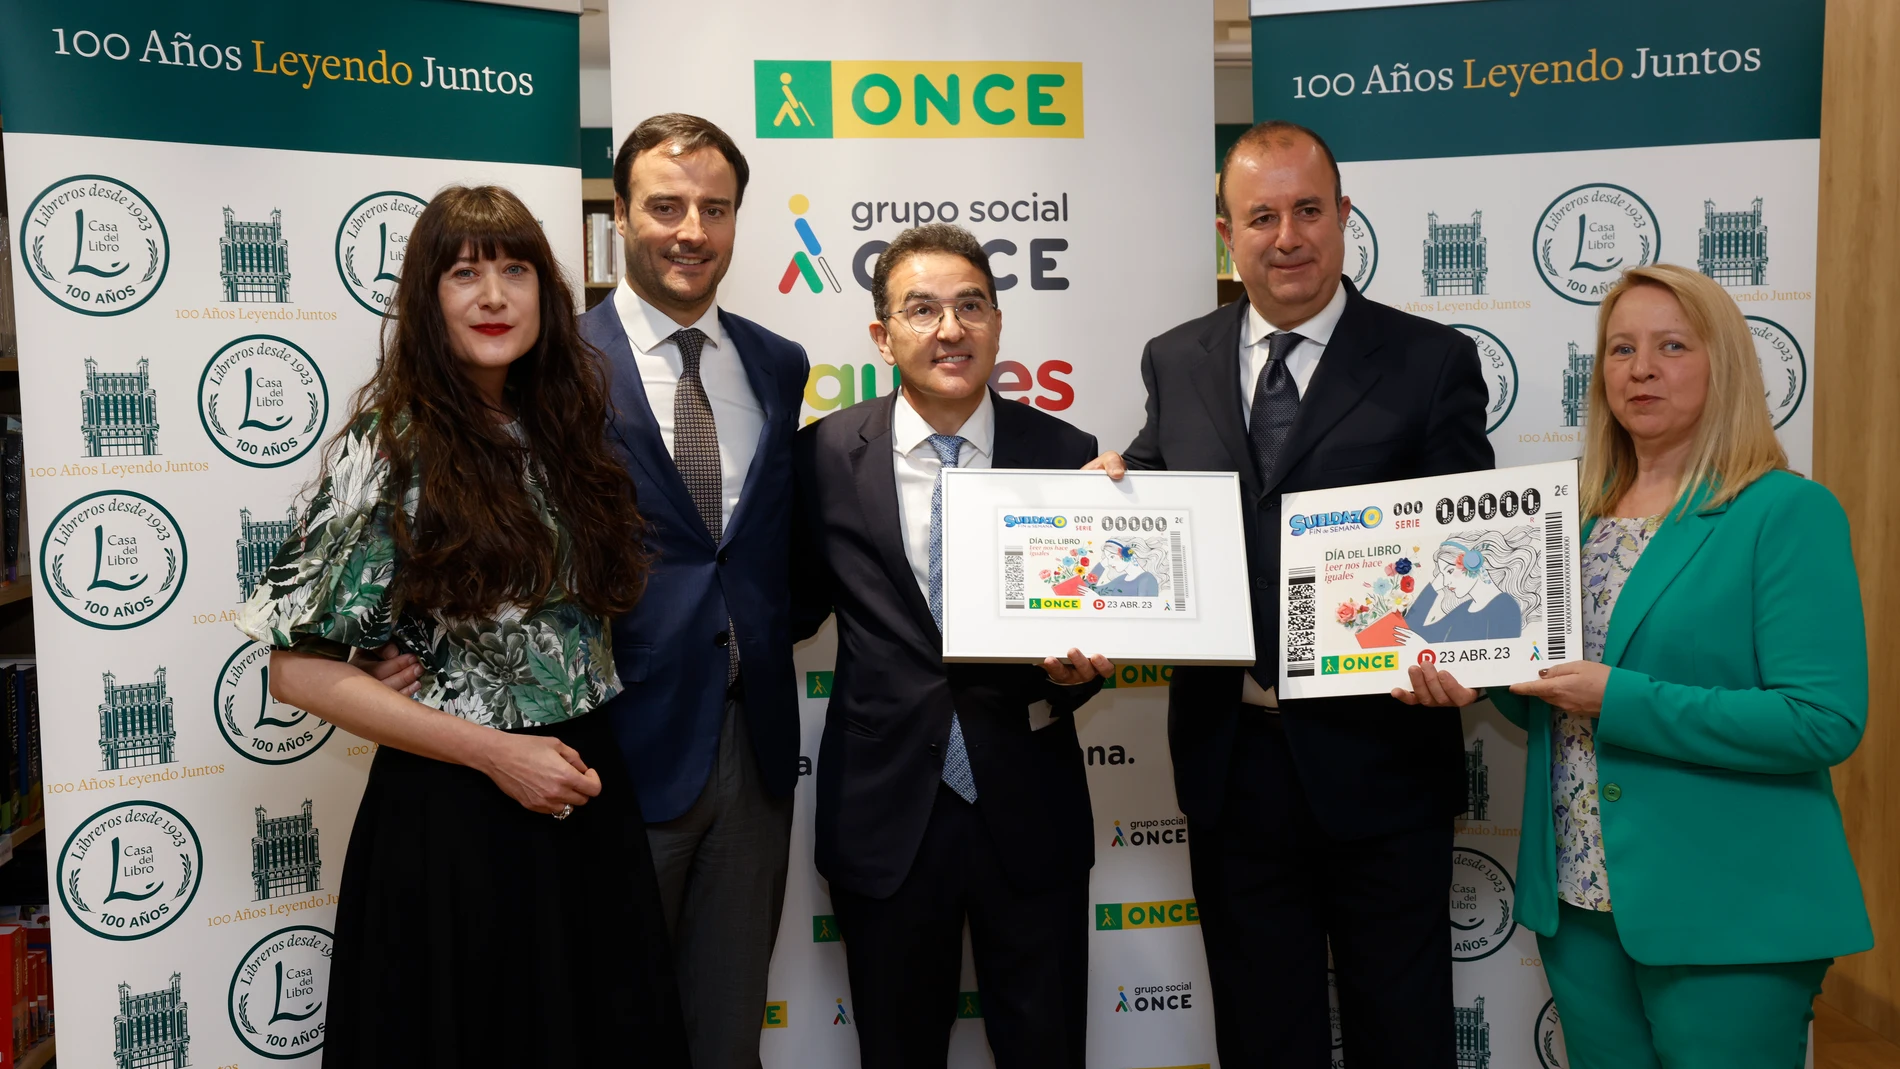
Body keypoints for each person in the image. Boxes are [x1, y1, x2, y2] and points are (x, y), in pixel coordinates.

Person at [361, 114, 807, 1069]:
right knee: (602, 1030)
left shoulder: (778, 362)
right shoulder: (552, 370)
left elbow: (765, 549)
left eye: (714, 208)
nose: (692, 229)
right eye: (665, 205)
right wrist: (395, 646)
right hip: (605, 752)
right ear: (619, 215)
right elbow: (462, 520)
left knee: (726, 1035)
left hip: (756, 748)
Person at [236, 185, 687, 1065]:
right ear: (425, 297)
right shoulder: (392, 442)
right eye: (464, 273)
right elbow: (292, 670)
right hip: (459, 815)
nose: (493, 295)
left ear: (546, 295)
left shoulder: (564, 427)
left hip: (583, 789)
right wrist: (491, 750)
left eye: (515, 270)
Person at [1088, 119, 1494, 1066]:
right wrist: (1108, 503)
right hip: (1234, 763)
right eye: (1260, 215)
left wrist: (1463, 659)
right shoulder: (1175, 357)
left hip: (1382, 759)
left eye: (1309, 210)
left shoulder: (1431, 360)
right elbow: (1162, 504)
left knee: (1403, 1029)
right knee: (1263, 1033)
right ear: (1226, 232)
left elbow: (1462, 542)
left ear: (1345, 216)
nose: (1288, 237)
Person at [1397, 264, 1871, 1069]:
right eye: (1620, 349)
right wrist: (1470, 678)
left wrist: (1619, 695)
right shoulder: (1571, 522)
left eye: (1671, 346)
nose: (1640, 368)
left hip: (1730, 911)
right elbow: (1552, 698)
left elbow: (1821, 719)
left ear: (1724, 365)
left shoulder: (1785, 510)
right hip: (1580, 906)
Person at [792, 224, 1113, 1069]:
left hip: (1028, 803)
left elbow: (1090, 629)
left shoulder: (1067, 456)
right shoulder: (822, 455)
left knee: (1046, 1050)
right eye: (922, 308)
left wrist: (1082, 672)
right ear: (882, 334)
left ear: (999, 325)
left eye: (971, 306)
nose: (949, 329)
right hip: (885, 809)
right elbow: (781, 602)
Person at [1395, 526, 1542, 644]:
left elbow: (1495, 665)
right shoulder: (1464, 609)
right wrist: (1433, 588)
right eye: (1443, 575)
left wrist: (1423, 647)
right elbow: (1409, 631)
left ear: (1473, 563)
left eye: (1450, 570)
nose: (1446, 582)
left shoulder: (1505, 607)